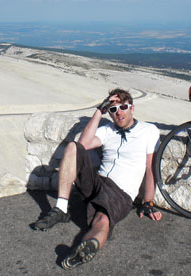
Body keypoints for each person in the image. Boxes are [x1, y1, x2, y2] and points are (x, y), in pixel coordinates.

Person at [32, 88, 162, 270]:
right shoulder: (107, 130)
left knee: (102, 220)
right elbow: (83, 146)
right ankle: (61, 208)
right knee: (73, 147)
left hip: (120, 192)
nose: (119, 113)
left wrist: (148, 201)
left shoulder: (148, 130)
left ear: (132, 108)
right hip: (96, 181)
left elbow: (150, 168)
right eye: (113, 110)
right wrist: (99, 112)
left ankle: (87, 247)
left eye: (123, 107)